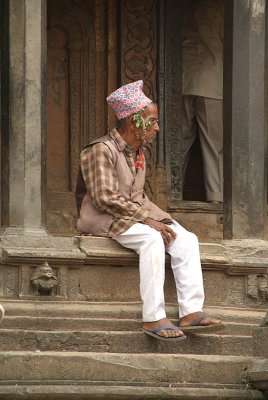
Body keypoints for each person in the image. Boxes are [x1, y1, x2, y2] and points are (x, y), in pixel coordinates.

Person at [76, 80, 224, 341]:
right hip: (104, 219)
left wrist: (165, 219)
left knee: (186, 239)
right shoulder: (100, 150)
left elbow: (138, 197)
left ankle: (191, 312)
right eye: (153, 121)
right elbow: (104, 198)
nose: (156, 127)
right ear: (135, 122)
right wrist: (147, 220)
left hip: (130, 216)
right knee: (151, 239)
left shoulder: (138, 153)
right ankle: (153, 317)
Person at [182, 0, 224, 203]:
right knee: (214, 145)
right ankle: (216, 196)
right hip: (212, 81)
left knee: (179, 141)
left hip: (182, 78)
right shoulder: (222, 8)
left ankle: (172, 191)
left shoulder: (184, 8)